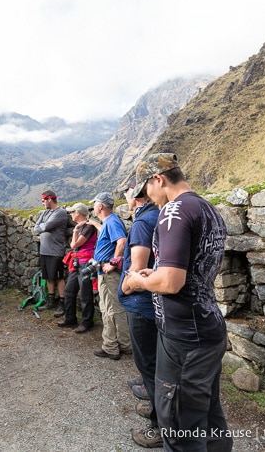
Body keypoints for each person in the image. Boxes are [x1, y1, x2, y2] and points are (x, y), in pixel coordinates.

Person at [123, 153, 232, 452]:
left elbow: (172, 283)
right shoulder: (208, 209)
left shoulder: (173, 212)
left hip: (184, 337)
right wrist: (156, 273)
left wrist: (137, 281)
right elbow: (205, 268)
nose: (149, 198)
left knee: (180, 423)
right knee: (208, 413)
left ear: (158, 179)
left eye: (147, 191)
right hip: (208, 328)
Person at [117, 177, 162, 448]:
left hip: (142, 305)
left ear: (136, 196)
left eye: (127, 193)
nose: (125, 197)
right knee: (154, 364)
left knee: (150, 365)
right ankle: (158, 410)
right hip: (153, 305)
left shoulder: (144, 222)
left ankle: (159, 425)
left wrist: (126, 285)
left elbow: (138, 266)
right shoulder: (158, 216)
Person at [87, 191, 130, 360]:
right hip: (105, 272)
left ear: (100, 206)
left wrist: (112, 263)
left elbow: (122, 241)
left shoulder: (111, 222)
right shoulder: (109, 222)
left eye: (95, 204)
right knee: (113, 308)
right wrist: (95, 225)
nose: (94, 207)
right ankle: (125, 344)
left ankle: (111, 346)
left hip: (108, 274)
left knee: (110, 309)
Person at [56, 202, 97, 333]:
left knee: (85, 293)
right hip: (77, 262)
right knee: (69, 290)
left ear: (78, 213)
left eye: (72, 212)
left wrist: (74, 231)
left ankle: (87, 322)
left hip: (84, 263)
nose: (70, 214)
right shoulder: (82, 227)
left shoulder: (88, 227)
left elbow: (75, 244)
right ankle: (70, 318)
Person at [32, 189, 68, 314]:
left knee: (58, 277)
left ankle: (62, 303)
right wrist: (41, 224)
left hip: (55, 251)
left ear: (49, 199)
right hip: (44, 251)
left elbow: (45, 227)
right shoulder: (45, 213)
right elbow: (36, 228)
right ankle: (50, 301)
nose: (42, 203)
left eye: (43, 201)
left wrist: (41, 225)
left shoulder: (60, 213)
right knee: (48, 277)